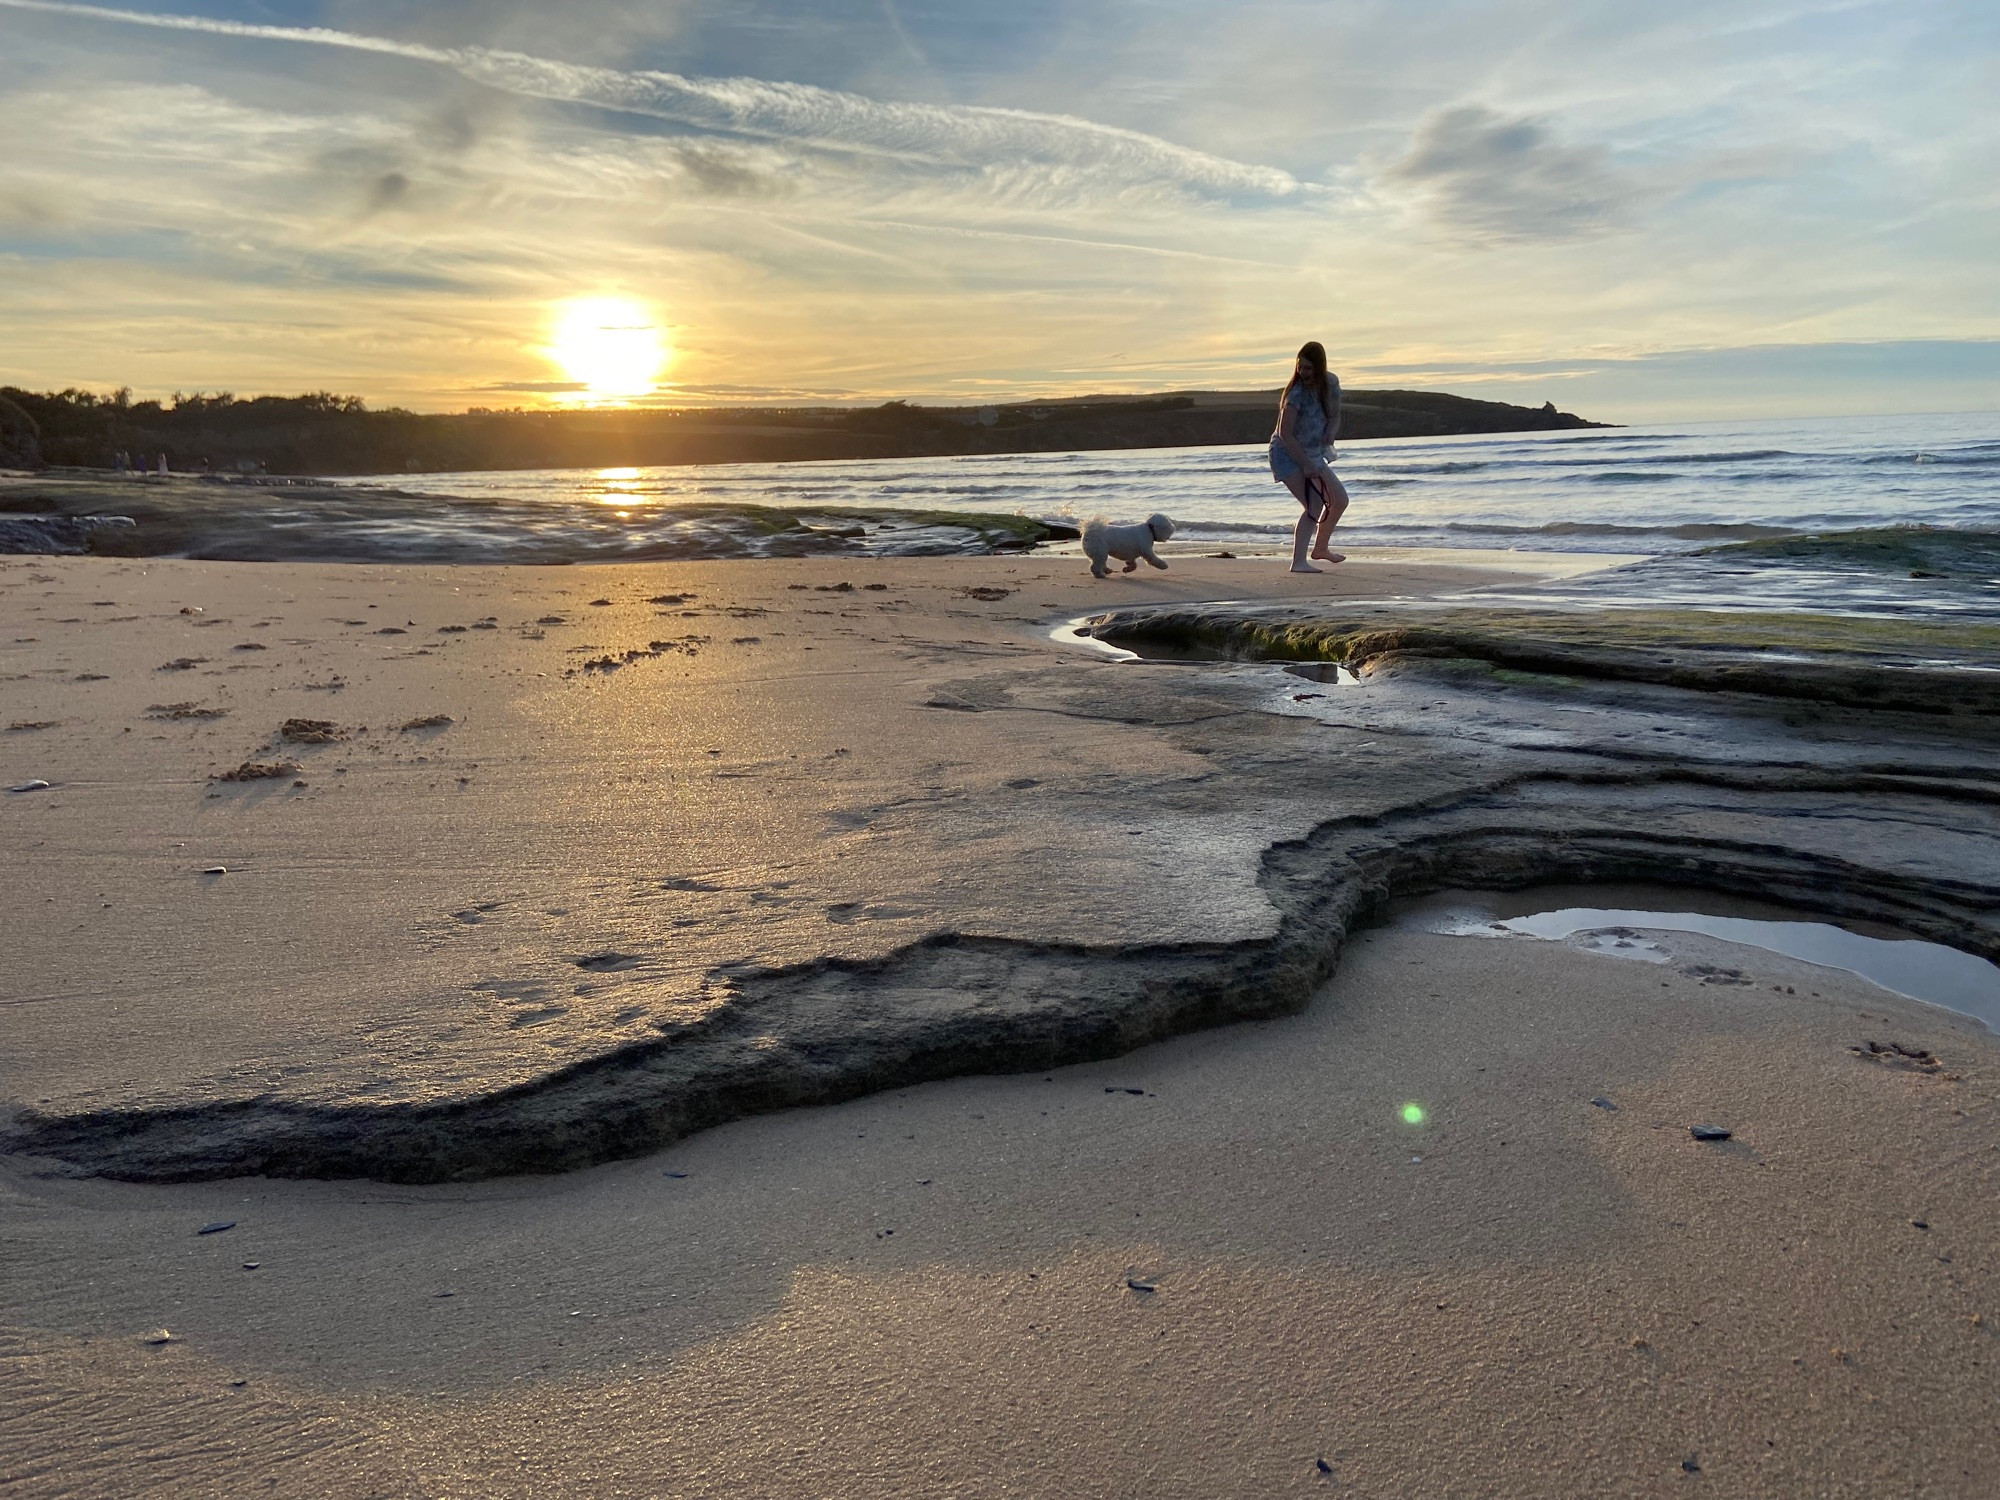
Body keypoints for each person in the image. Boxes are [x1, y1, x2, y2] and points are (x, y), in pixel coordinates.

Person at [1269, 341, 1350, 572]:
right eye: (1299, 367)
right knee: (1314, 505)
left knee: (1340, 500)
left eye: (1308, 368)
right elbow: (1285, 433)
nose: (1302, 373)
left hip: (1312, 452)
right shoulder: (1295, 395)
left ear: (1320, 367)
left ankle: (1320, 549)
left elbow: (1334, 416)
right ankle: (1298, 562)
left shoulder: (1331, 384)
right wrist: (1305, 465)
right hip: (1285, 453)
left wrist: (1329, 437)